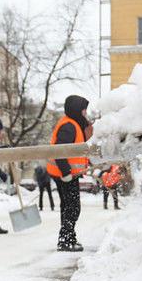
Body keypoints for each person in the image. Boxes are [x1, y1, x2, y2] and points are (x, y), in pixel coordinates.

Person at [46, 95, 92, 252]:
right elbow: (60, 150)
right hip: (65, 174)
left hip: (68, 173)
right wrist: (65, 172)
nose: (85, 112)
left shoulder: (74, 124)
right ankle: (66, 240)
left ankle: (67, 238)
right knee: (72, 207)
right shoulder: (69, 126)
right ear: (76, 109)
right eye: (84, 109)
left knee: (68, 206)